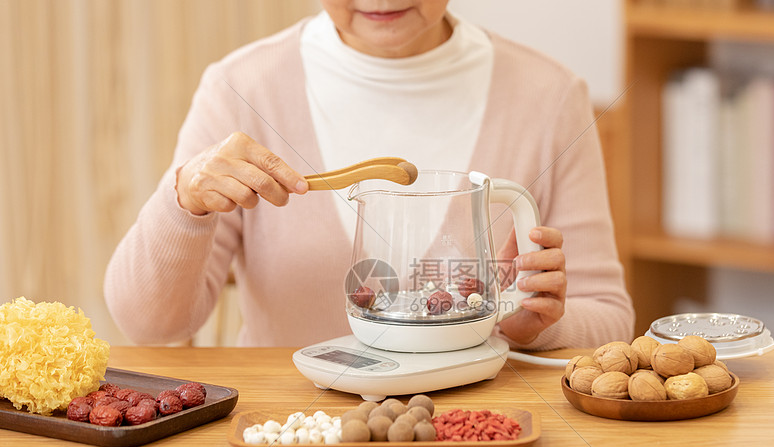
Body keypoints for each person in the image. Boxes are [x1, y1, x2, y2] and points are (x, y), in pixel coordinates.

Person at [104, 0, 634, 350]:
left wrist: (537, 324)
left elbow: (610, 318)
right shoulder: (242, 89)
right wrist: (184, 202)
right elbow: (150, 326)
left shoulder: (551, 96)